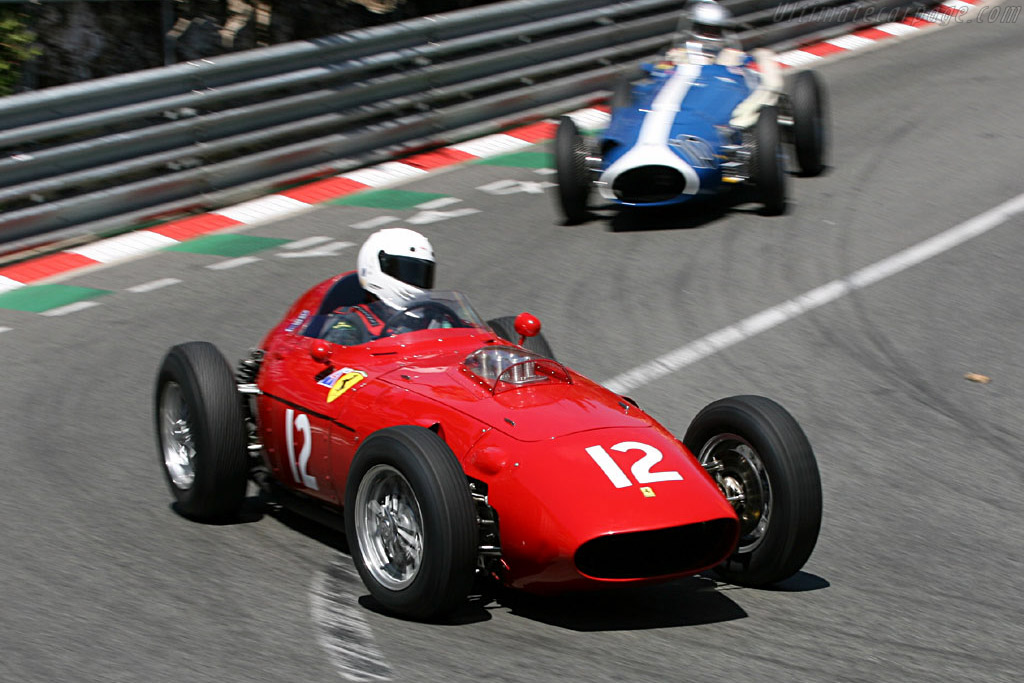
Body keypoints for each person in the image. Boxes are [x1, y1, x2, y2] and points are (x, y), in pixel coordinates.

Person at [666, 0, 784, 129]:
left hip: (722, 100)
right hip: (686, 100)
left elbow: (748, 76)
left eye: (713, 30)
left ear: (721, 31)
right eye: (703, 29)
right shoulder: (679, 54)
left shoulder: (731, 56)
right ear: (694, 27)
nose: (707, 34)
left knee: (767, 91)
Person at [322, 227, 436, 346]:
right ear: (374, 266)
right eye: (408, 272)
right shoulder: (349, 325)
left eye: (421, 274)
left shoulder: (435, 319)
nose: (416, 280)